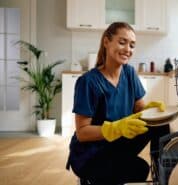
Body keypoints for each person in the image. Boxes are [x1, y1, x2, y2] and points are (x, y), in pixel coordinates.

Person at [66, 22, 169, 185]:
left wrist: (150, 111)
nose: (128, 49)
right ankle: (87, 180)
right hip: (90, 153)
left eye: (132, 45)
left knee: (160, 123)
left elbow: (139, 108)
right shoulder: (88, 82)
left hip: (116, 144)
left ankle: (163, 175)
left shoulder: (129, 73)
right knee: (138, 170)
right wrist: (115, 128)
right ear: (106, 42)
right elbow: (82, 133)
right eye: (122, 42)